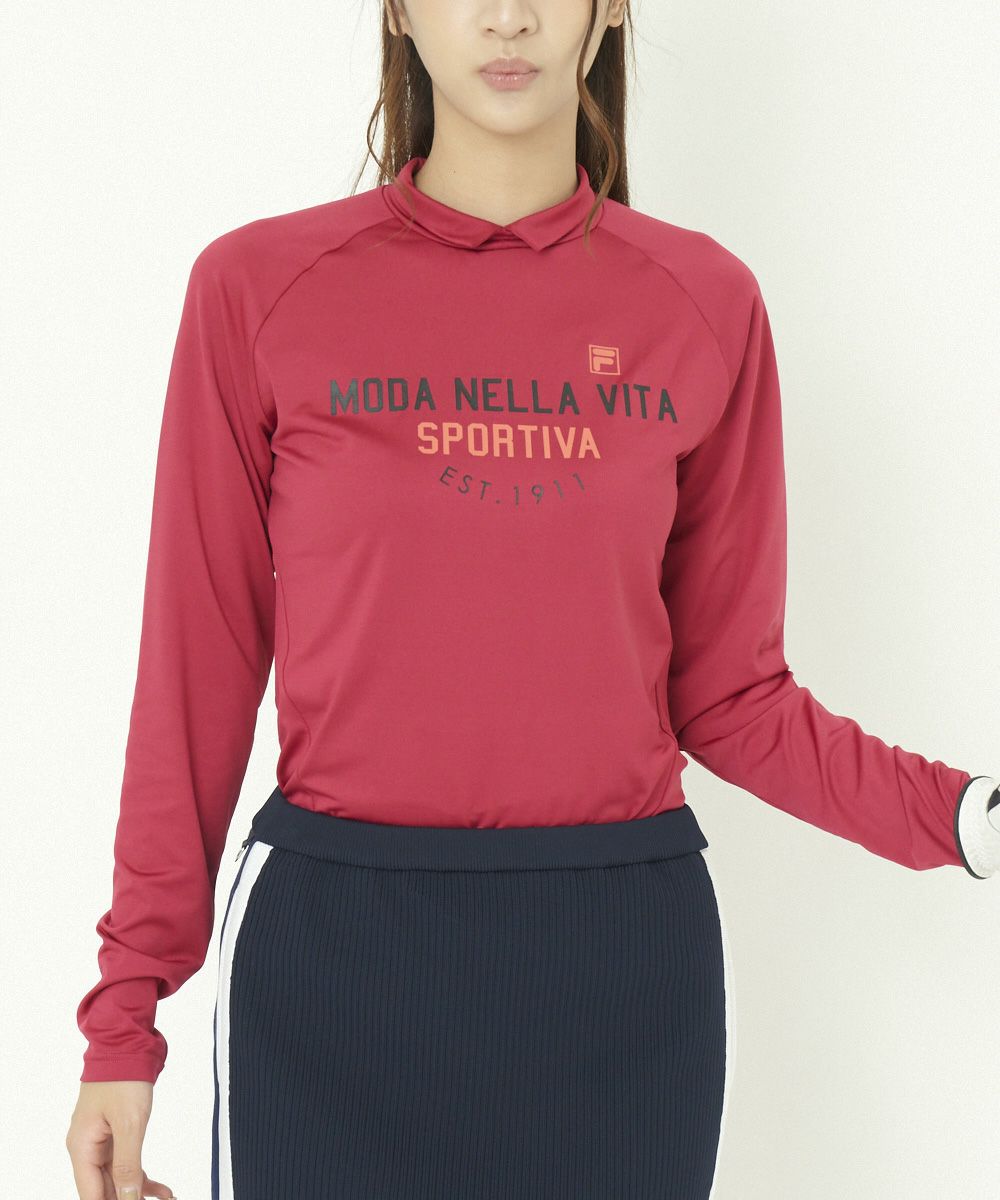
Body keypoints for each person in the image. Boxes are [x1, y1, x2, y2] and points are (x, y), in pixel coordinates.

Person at [65, 2, 1000, 1198]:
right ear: (398, 10)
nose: (508, 16)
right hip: (336, 960)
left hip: (620, 971)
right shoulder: (258, 290)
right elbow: (194, 673)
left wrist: (965, 816)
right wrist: (125, 1017)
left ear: (608, 7)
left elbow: (731, 697)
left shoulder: (702, 302)